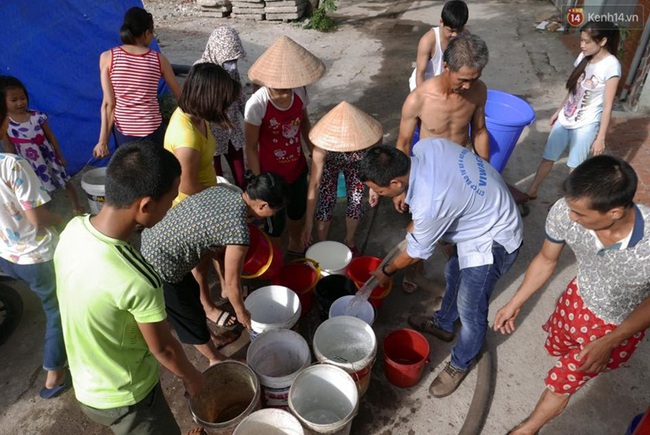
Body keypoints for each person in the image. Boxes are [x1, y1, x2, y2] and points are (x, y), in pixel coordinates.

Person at [55, 142, 203, 434]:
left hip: (86, 381)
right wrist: (192, 378)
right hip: (126, 396)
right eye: (170, 199)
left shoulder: (73, 230)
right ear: (146, 205)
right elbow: (164, 349)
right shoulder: (137, 277)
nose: (171, 206)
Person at [494, 155, 650, 435]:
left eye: (580, 214)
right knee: (557, 348)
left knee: (562, 382)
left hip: (614, 327)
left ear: (614, 212)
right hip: (574, 302)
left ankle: (527, 429)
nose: (570, 217)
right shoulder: (566, 211)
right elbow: (546, 259)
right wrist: (515, 302)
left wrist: (610, 341)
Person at [360, 142, 523, 398]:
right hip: (480, 215)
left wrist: (386, 272)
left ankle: (459, 363)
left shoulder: (430, 202)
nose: (379, 195)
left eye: (380, 191)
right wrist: (408, 195)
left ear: (395, 183)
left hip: (494, 240)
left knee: (471, 312)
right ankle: (444, 324)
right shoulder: (427, 147)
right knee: (454, 273)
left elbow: (415, 253)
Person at [140, 173, 289, 366]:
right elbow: (232, 285)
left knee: (193, 297)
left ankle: (214, 341)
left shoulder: (229, 190)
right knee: (188, 317)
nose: (275, 215)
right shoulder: (238, 230)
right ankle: (216, 360)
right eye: (275, 210)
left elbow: (211, 230)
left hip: (154, 236)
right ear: (262, 205)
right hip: (159, 264)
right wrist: (243, 314)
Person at [0, 87, 69, 399]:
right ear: (3, 120)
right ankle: (53, 377)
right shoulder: (12, 165)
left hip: (5, 254)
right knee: (57, 309)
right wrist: (62, 220)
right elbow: (37, 218)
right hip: (34, 255)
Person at [245, 35, 324, 255]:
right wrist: (259, 181)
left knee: (297, 213)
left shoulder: (300, 92)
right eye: (282, 87)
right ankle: (275, 255)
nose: (288, 91)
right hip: (271, 176)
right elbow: (250, 147)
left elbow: (305, 122)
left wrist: (313, 151)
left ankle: (296, 243)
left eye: (291, 85)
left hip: (297, 168)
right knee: (274, 224)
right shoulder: (257, 104)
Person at [395, 34, 490, 212]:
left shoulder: (479, 91)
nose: (468, 86)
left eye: (474, 79)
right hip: (431, 169)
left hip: (463, 165)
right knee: (431, 215)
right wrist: (401, 187)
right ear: (446, 67)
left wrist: (487, 171)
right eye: (463, 80)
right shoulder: (418, 99)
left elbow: (479, 131)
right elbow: (404, 143)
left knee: (464, 214)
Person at [526, 21, 621, 200]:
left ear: (602, 41)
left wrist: (600, 138)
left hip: (586, 124)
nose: (582, 45)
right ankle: (532, 191)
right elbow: (573, 90)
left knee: (574, 167)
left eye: (587, 41)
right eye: (581, 40)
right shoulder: (583, 57)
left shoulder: (611, 67)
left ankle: (567, 202)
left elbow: (608, 106)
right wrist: (558, 111)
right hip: (566, 118)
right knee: (548, 157)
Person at [93, 6, 181, 158]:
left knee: (130, 175)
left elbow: (109, 104)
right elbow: (180, 96)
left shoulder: (108, 58)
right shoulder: (159, 60)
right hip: (153, 131)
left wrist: (102, 141)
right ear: (146, 33)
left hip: (124, 133)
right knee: (154, 174)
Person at [302, 101, 383, 255]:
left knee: (356, 200)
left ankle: (350, 240)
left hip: (356, 166)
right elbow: (315, 185)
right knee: (325, 203)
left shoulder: (370, 140)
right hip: (330, 166)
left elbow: (374, 164)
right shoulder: (322, 148)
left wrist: (374, 187)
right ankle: (322, 244)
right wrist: (308, 224)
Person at [1, 76, 84, 215]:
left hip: (49, 157)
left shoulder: (37, 116)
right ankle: (45, 214)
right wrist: (14, 170)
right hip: (29, 164)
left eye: (23, 98)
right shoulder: (5, 123)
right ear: (2, 102)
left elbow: (51, 137)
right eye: (14, 100)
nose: (20, 103)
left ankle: (76, 206)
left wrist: (60, 156)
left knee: (65, 181)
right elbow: (9, 148)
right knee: (38, 188)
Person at [165, 62, 240, 206]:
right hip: (191, 207)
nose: (225, 109)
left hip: (204, 195)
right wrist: (222, 198)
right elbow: (186, 186)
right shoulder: (187, 137)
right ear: (209, 99)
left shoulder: (196, 116)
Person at [196, 25, 247, 189]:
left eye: (234, 60)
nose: (232, 65)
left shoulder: (232, 71)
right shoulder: (202, 72)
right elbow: (197, 107)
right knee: (216, 179)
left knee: (241, 176)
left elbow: (240, 95)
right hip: (211, 134)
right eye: (229, 61)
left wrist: (250, 114)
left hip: (232, 131)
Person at [408, 0, 469, 91]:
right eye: (451, 30)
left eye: (459, 30)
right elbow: (420, 74)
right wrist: (423, 97)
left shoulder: (466, 37)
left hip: (446, 84)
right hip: (424, 83)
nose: (455, 35)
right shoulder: (428, 41)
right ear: (441, 22)